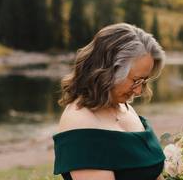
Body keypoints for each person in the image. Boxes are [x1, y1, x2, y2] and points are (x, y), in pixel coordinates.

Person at [53, 23, 166, 180]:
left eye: (144, 81)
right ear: (107, 71)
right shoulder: (80, 123)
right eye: (135, 80)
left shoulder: (125, 108)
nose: (139, 91)